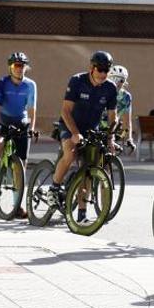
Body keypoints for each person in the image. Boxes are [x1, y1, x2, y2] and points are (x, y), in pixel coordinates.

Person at [47, 51, 118, 223]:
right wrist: (74, 133)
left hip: (90, 130)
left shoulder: (110, 88)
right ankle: (54, 188)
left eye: (106, 70)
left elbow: (112, 117)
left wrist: (111, 138)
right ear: (92, 68)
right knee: (70, 154)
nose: (103, 74)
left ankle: (81, 213)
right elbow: (65, 110)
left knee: (87, 169)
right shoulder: (77, 81)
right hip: (69, 125)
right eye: (100, 69)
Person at [0, 52, 37, 219]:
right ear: (10, 67)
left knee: (21, 166)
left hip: (21, 122)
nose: (19, 69)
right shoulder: (2, 83)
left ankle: (17, 205)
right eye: (16, 66)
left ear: (26, 67)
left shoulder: (31, 85)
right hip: (3, 120)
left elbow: (32, 108)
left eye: (22, 66)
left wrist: (32, 128)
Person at [108, 64, 134, 148]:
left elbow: (127, 122)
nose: (118, 83)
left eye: (121, 80)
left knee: (111, 152)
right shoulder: (101, 90)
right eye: (114, 79)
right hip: (95, 126)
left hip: (111, 128)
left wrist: (129, 138)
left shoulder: (125, 97)